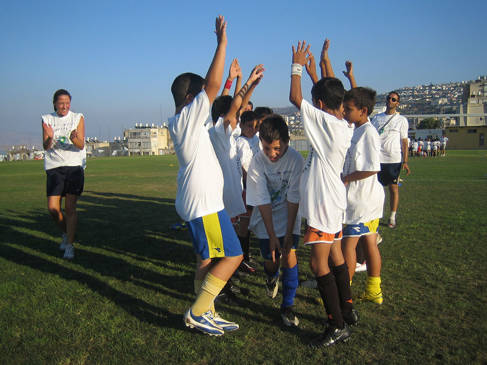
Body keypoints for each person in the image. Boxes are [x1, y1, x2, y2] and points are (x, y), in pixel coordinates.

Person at [168, 16, 243, 336]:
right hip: (203, 203)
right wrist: (222, 43)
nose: (206, 100)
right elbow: (211, 88)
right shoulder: (186, 117)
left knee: (205, 259)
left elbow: (219, 99)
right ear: (190, 99)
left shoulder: (189, 122)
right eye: (200, 96)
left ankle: (207, 310)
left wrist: (234, 81)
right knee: (234, 256)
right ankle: (198, 312)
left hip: (200, 201)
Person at [290, 41, 357, 347]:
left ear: (319, 105)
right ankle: (348, 310)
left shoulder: (327, 122)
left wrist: (297, 67)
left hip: (322, 202)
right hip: (334, 200)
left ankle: (336, 325)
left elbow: (295, 97)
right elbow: (326, 101)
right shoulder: (341, 124)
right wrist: (317, 74)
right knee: (335, 256)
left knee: (319, 265)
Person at [246, 114, 304, 327]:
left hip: (289, 215)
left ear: (288, 141)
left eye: (278, 148)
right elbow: (262, 201)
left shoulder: (296, 160)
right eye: (267, 148)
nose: (272, 154)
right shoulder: (257, 161)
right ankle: (271, 276)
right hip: (265, 217)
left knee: (289, 255)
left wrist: (288, 235)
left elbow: (294, 198)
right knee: (271, 260)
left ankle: (287, 307)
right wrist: (272, 236)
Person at [341, 87, 385, 305]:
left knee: (347, 247)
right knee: (370, 243)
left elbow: (372, 167)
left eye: (348, 109)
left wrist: (346, 178)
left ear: (363, 111)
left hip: (362, 201)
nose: (344, 112)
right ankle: (374, 290)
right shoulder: (358, 129)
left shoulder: (368, 132)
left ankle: (344, 296)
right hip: (366, 199)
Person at [42, 89, 86, 260]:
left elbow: (80, 144)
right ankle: (67, 233)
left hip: (74, 167)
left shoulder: (78, 117)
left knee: (70, 208)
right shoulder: (47, 119)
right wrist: (49, 137)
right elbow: (46, 146)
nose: (65, 106)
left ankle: (69, 245)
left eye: (67, 102)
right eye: (61, 102)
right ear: (54, 103)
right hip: (54, 167)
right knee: (53, 209)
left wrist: (74, 138)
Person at [371, 91, 410, 228]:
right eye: (389, 98)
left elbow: (404, 142)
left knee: (393, 188)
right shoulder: (376, 118)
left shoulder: (401, 120)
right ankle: (375, 215)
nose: (390, 101)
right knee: (376, 189)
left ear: (397, 103)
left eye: (393, 99)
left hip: (393, 159)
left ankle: (392, 216)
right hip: (377, 159)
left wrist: (405, 161)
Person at [236, 110, 261, 272]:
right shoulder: (241, 142)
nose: (252, 129)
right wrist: (251, 184)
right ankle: (241, 259)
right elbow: (244, 167)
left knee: (251, 224)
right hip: (247, 187)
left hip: (258, 187)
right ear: (241, 126)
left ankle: (246, 255)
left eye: (254, 126)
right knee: (243, 224)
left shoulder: (256, 139)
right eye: (249, 126)